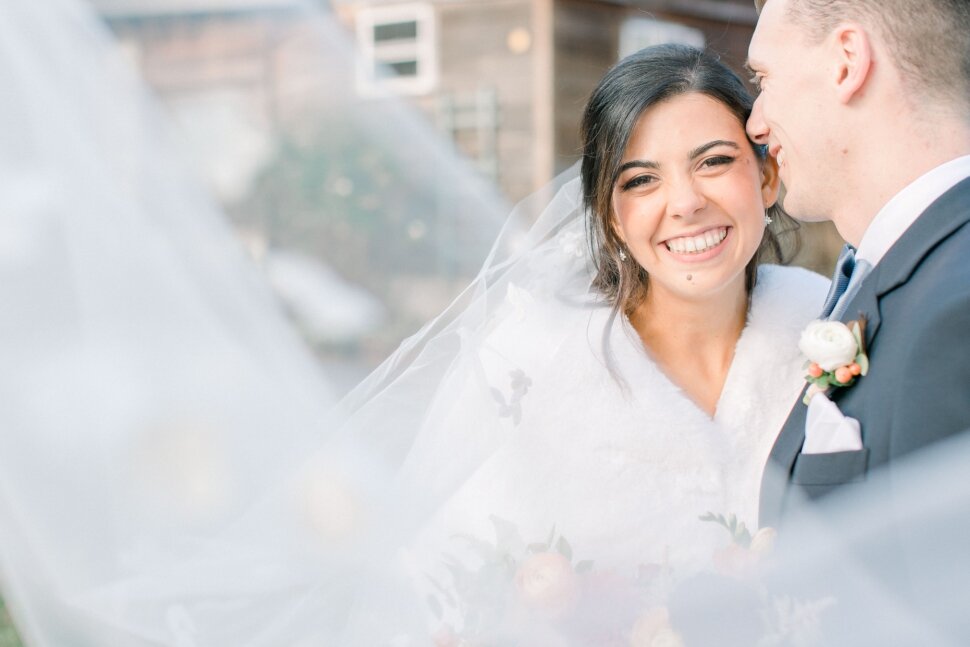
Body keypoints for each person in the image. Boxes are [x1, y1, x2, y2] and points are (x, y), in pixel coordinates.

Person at [745, 0, 970, 641]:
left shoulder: (959, 307)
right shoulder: (907, 273)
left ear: (847, 61)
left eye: (763, 79)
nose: (757, 122)